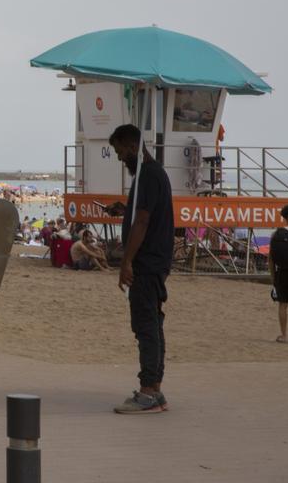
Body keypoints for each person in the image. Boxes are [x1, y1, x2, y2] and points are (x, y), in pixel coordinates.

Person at [105, 123, 174, 414]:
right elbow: (143, 213)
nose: (120, 158)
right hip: (156, 262)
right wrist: (126, 209)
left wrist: (127, 261)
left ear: (133, 146)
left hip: (147, 264)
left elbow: (143, 221)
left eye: (121, 152)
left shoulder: (148, 175)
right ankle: (155, 389)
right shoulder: (153, 175)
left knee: (145, 325)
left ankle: (147, 392)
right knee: (153, 325)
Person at [271, 204, 288, 343]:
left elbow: (270, 259)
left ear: (285, 218)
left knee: (282, 304)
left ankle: (284, 335)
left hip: (282, 273)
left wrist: (273, 277)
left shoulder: (276, 234)